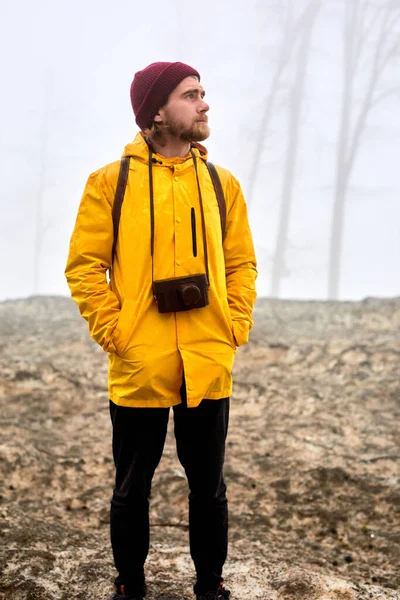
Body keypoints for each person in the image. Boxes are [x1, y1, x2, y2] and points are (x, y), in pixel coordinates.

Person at [65, 61, 257, 600]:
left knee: (209, 488)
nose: (204, 103)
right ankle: (130, 586)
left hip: (207, 359)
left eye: (203, 93)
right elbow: (84, 267)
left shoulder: (223, 184)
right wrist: (116, 332)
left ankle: (209, 587)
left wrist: (233, 325)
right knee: (131, 487)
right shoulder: (110, 183)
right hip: (140, 359)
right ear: (156, 111)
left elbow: (242, 263)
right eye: (190, 94)